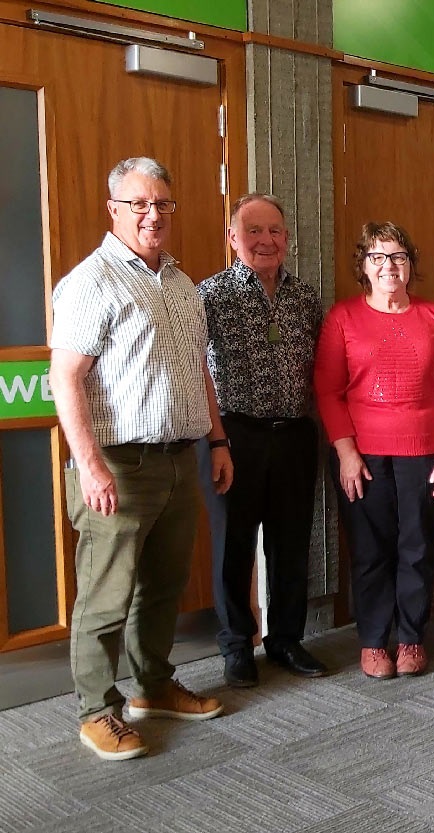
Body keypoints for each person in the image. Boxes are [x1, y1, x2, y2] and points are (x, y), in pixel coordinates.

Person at [48, 157, 233, 761]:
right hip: (118, 465)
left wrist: (216, 440)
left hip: (181, 459)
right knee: (105, 594)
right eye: (139, 204)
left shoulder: (181, 283)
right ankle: (95, 709)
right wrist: (91, 464)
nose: (153, 214)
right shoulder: (90, 282)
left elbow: (199, 372)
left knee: (164, 585)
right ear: (115, 210)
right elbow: (64, 379)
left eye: (163, 204)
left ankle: (152, 687)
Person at [314, 221, 434, 679]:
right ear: (363, 266)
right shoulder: (342, 318)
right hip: (362, 454)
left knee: (418, 547)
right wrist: (345, 453)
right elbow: (327, 391)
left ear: (411, 265)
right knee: (370, 549)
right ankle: (374, 640)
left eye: (398, 256)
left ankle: (411, 637)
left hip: (426, 452)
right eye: (377, 257)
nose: (388, 266)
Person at [198, 193, 326, 688]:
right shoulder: (209, 294)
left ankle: (286, 639)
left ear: (287, 240)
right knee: (233, 546)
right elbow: (196, 371)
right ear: (233, 239)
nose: (265, 240)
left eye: (274, 231)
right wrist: (215, 441)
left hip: (294, 434)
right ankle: (236, 646)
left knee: (292, 542)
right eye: (252, 231)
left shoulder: (305, 297)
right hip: (234, 435)